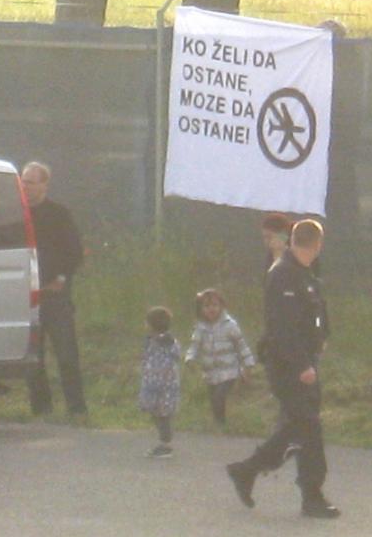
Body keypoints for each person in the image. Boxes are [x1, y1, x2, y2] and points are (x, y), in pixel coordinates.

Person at [226, 219, 340, 519]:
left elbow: (316, 313)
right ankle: (300, 491)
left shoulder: (305, 274)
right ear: (317, 245)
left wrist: (322, 338)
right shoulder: (283, 275)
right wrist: (302, 364)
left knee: (302, 427)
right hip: (288, 364)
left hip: (305, 360)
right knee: (306, 426)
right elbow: (283, 328)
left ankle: (252, 472)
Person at [22, 161, 88, 420]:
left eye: (30, 181)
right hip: (28, 295)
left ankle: (77, 408)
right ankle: (41, 409)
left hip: (55, 295)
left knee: (66, 354)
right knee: (33, 358)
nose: (25, 186)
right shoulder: (17, 214)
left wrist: (61, 277)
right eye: (23, 180)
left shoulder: (59, 214)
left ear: (44, 185)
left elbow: (74, 252)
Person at [185, 289, 255, 426]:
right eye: (207, 306)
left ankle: (221, 424)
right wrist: (190, 358)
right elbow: (195, 345)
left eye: (215, 305)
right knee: (213, 398)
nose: (211, 309)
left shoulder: (230, 325)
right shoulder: (200, 327)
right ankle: (219, 422)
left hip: (229, 370)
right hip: (210, 371)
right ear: (201, 309)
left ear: (222, 306)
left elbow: (241, 345)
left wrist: (248, 364)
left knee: (219, 396)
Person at [138, 306, 181, 458]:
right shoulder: (151, 341)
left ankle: (166, 445)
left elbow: (172, 358)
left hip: (164, 387)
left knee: (163, 415)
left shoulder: (167, 342)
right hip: (152, 384)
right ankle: (163, 442)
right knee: (156, 414)